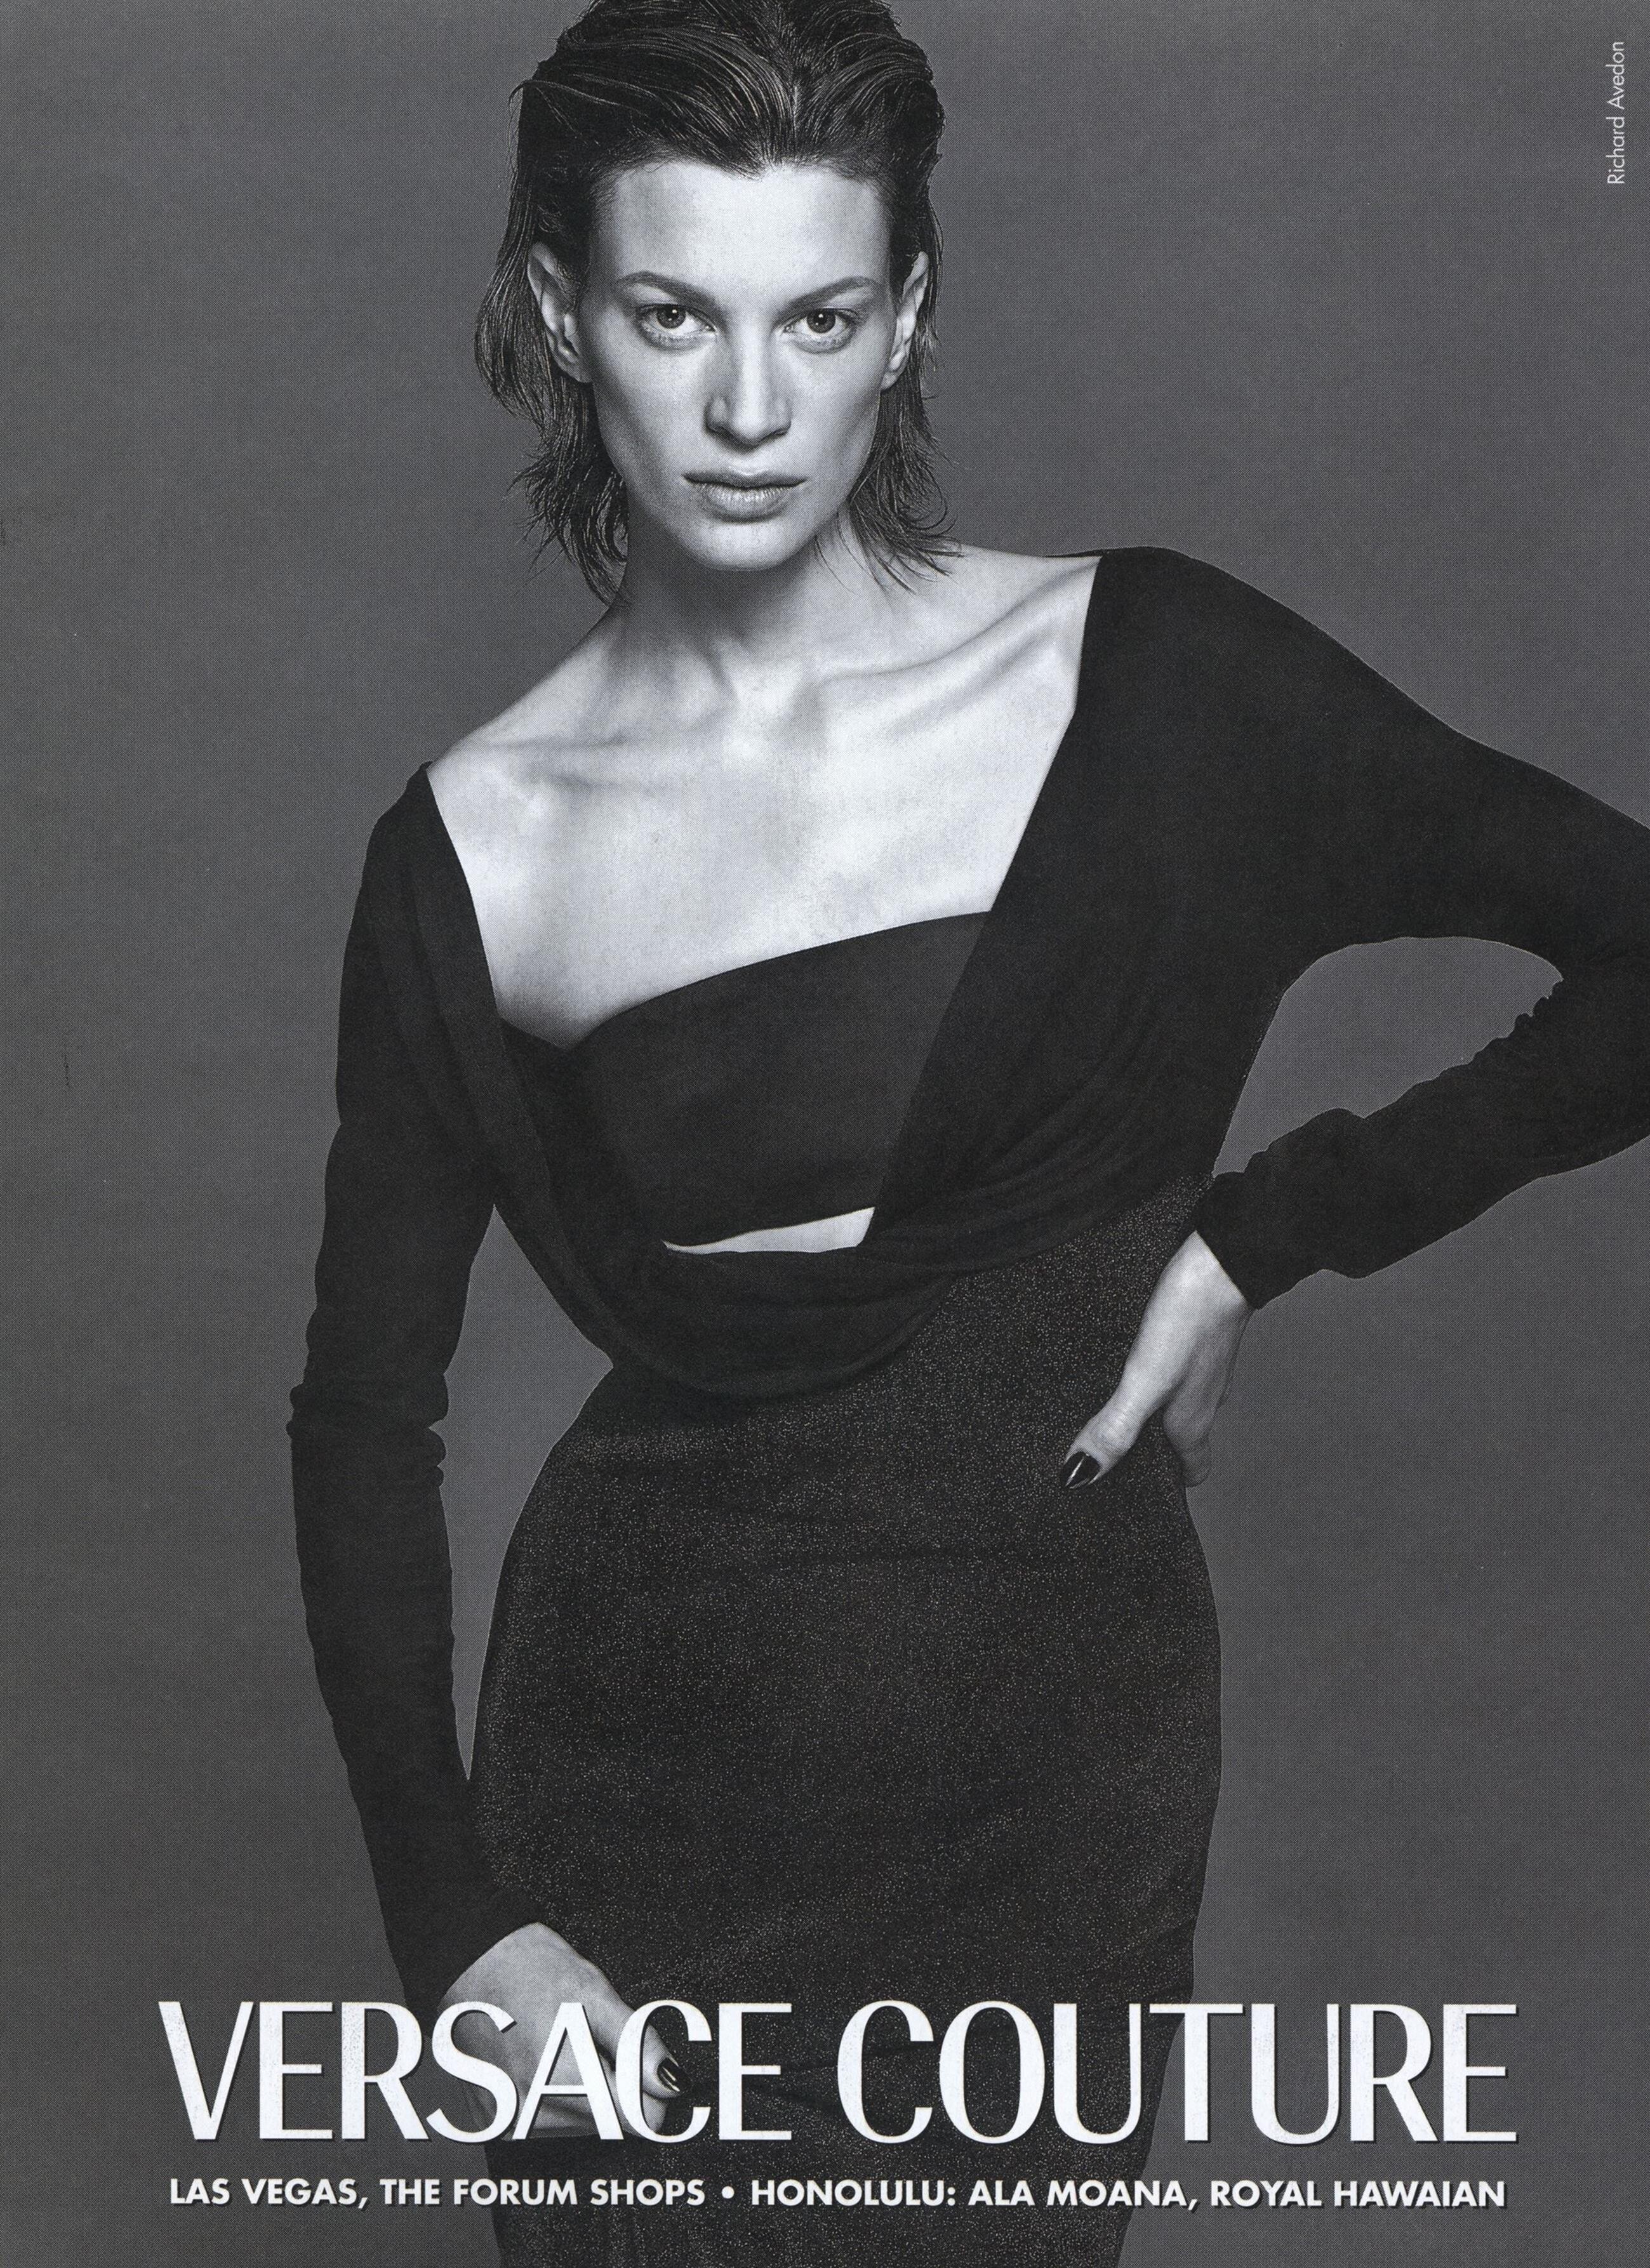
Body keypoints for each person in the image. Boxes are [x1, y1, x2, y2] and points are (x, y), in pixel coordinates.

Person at [288, 2, 1650, 2260]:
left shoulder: (1165, 684)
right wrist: (458, 1928)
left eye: (820, 319)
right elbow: (363, 1413)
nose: (750, 408)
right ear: (561, 312)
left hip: (1050, 1786)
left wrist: (1268, 1228)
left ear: (908, 315)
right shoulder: (474, 845)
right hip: (629, 1801)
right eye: (674, 315)